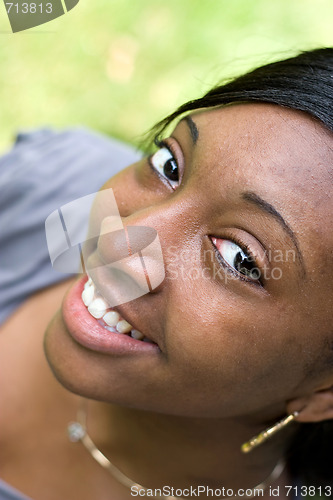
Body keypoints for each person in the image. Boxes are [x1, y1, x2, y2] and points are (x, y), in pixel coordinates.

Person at [0, 48, 332, 500]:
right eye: (170, 166)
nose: (121, 241)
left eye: (238, 258)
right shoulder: (40, 186)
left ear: (323, 393)